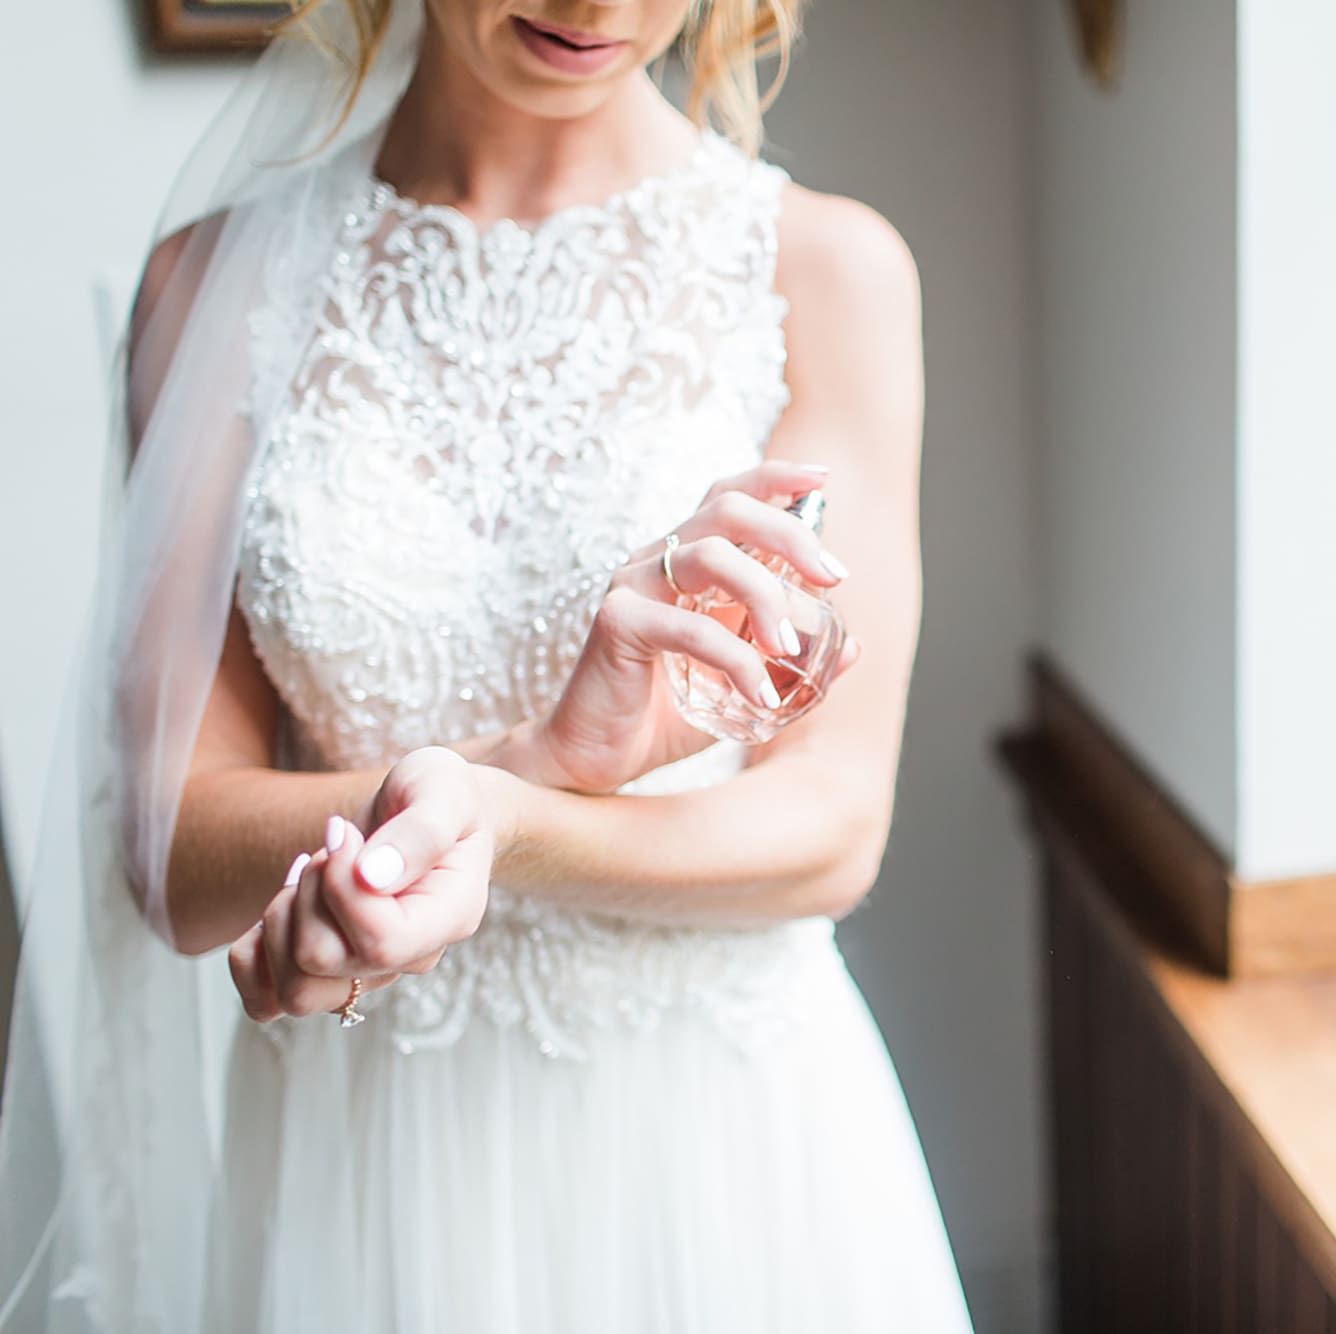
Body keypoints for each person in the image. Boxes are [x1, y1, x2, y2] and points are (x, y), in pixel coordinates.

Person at [0, 0, 976, 1329]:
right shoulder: (210, 286)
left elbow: (831, 828)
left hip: (717, 1152)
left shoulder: (825, 273)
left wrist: (503, 818)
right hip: (369, 1165)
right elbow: (172, 846)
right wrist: (511, 768)